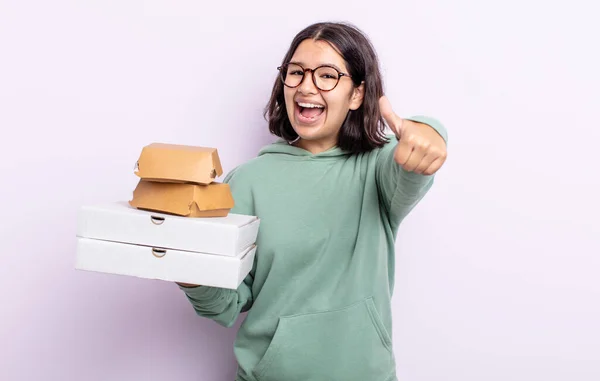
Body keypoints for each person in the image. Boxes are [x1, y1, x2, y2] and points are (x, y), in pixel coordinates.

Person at [177, 21, 448, 381]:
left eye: (327, 76)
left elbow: (415, 158)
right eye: (296, 72)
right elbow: (227, 305)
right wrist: (189, 270)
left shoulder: (380, 166)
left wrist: (429, 131)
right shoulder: (248, 181)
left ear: (356, 94)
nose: (306, 86)